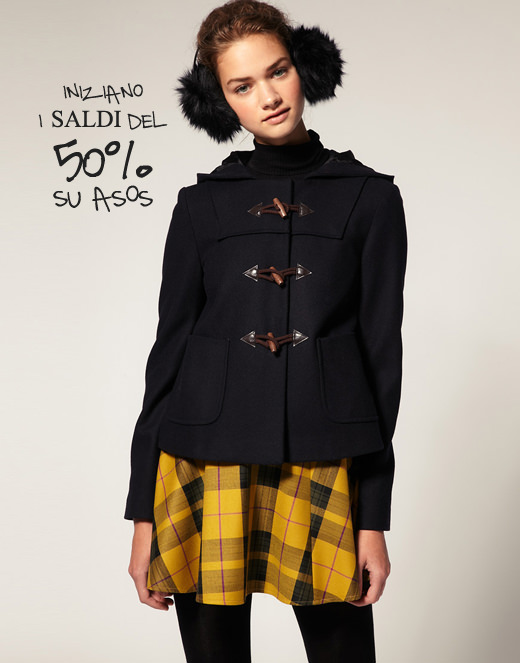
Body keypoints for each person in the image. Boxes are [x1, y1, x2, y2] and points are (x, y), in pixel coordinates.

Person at [125, 1, 408, 661]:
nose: (268, 96)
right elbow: (167, 358)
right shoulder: (199, 206)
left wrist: (373, 518)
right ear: (220, 100)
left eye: (277, 71)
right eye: (242, 85)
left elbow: (381, 361)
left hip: (324, 459)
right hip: (202, 463)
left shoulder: (371, 199)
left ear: (305, 66)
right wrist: (143, 514)